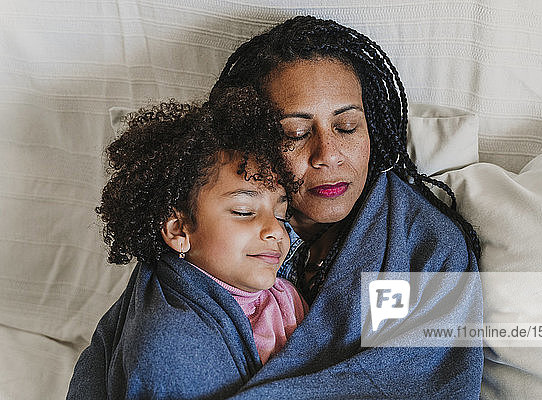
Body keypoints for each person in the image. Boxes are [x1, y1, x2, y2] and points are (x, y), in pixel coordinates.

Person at [210, 15, 484, 399]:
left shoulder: (427, 249)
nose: (328, 155)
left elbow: (418, 379)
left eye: (346, 127)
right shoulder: (208, 220)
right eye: (296, 133)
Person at [66, 87, 308, 399]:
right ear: (179, 230)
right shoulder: (172, 347)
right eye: (244, 212)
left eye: (280, 212)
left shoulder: (282, 293)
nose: (276, 229)